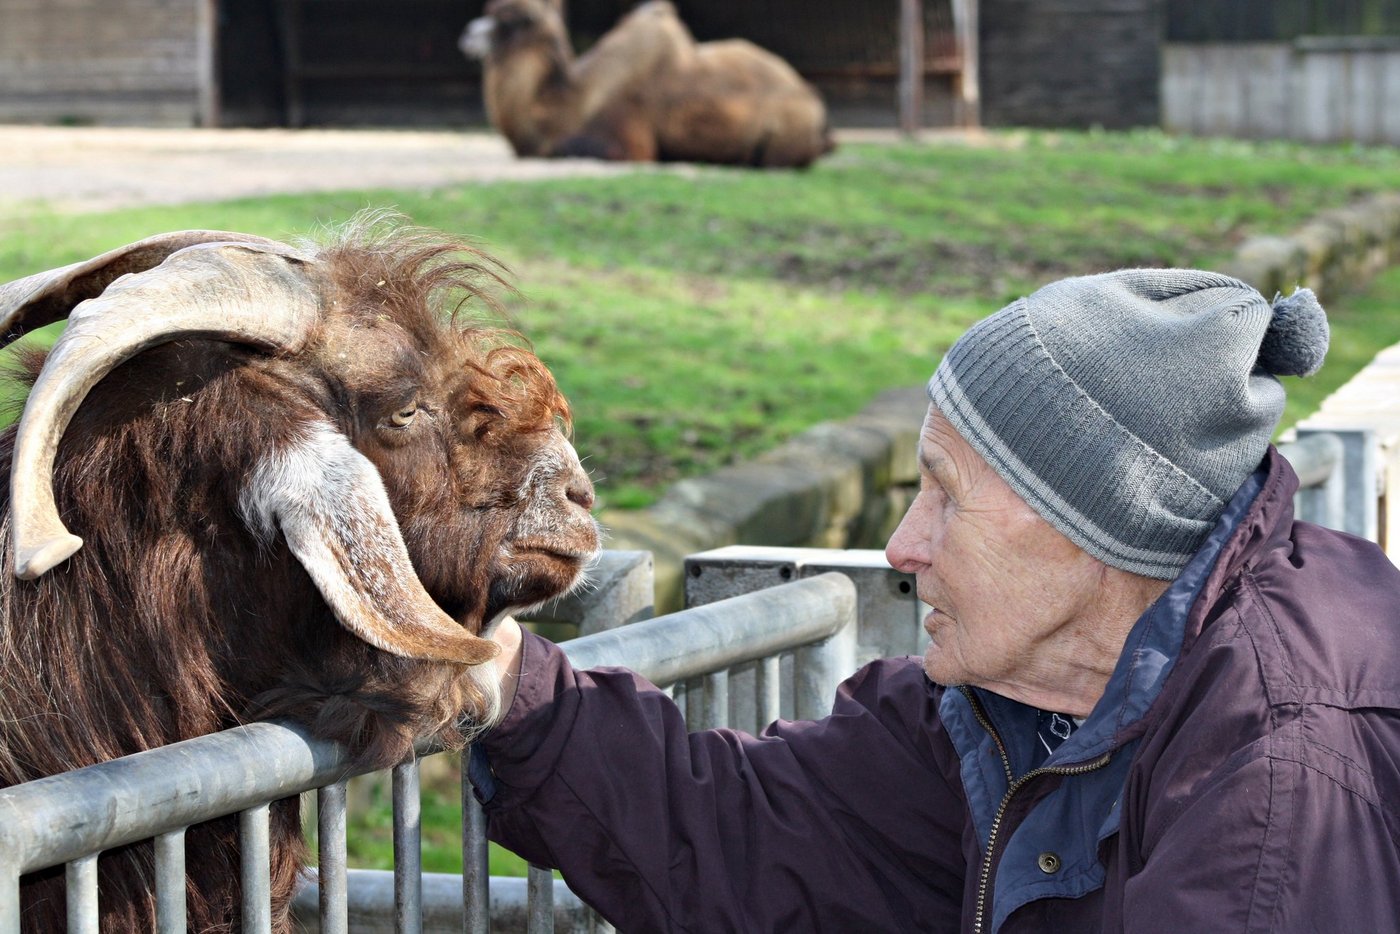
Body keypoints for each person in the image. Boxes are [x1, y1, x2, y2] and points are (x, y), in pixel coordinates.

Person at [470, 269, 1400, 932]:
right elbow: (745, 832)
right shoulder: (1008, 706)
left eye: (946, 493)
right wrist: (502, 682)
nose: (902, 547)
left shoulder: (1280, 771)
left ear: (1095, 528)